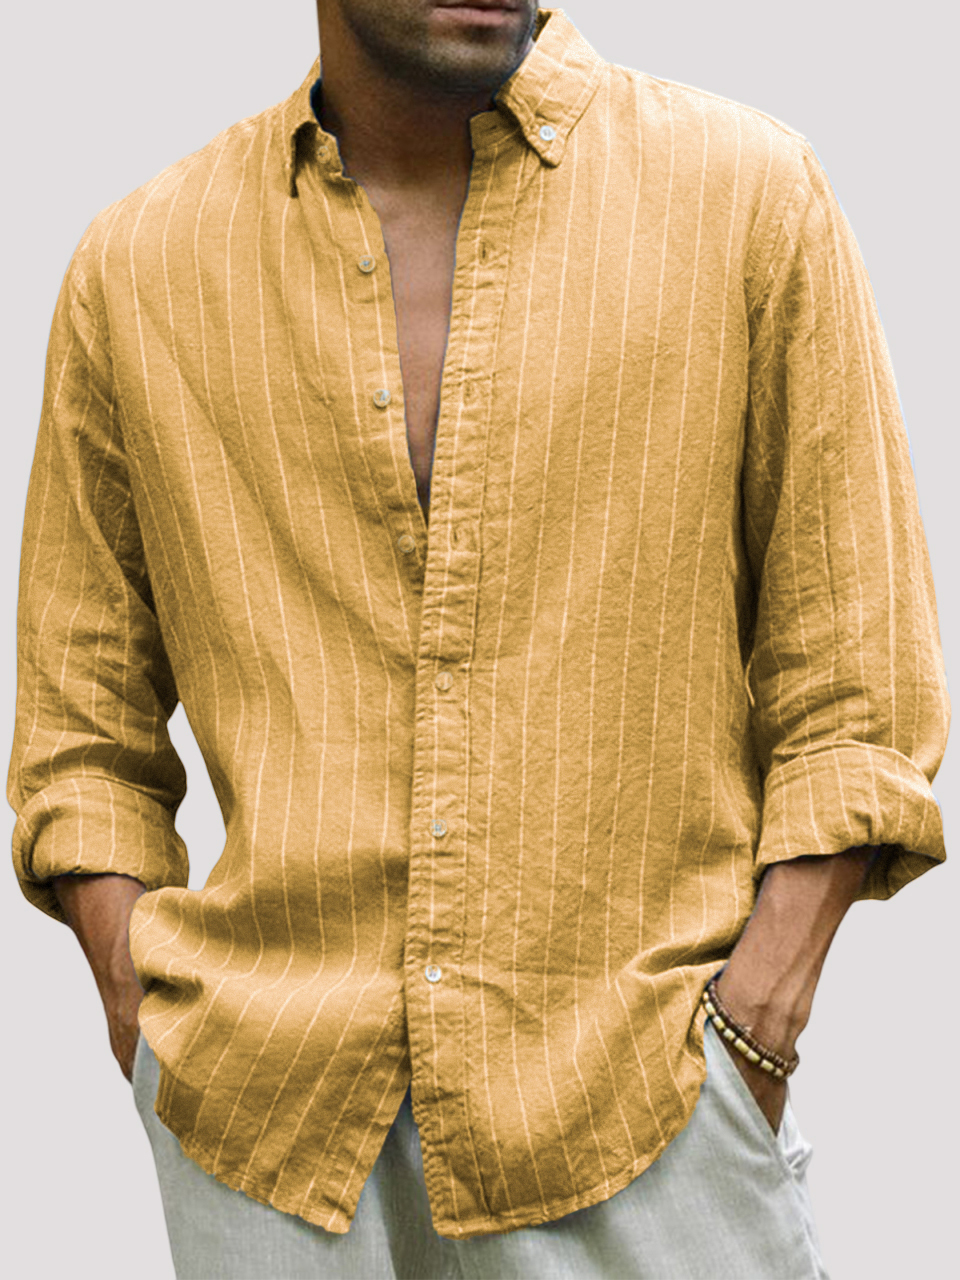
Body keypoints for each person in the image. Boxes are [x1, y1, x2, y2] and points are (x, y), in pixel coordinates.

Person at [8, 2, 949, 1277]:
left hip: (642, 1104)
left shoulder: (745, 199)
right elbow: (81, 730)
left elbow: (859, 677)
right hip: (266, 1131)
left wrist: (754, 1027)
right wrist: (139, 1000)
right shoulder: (141, 266)